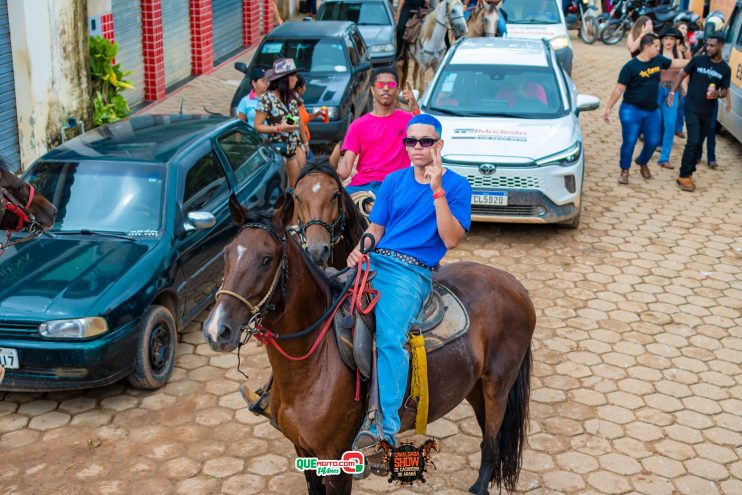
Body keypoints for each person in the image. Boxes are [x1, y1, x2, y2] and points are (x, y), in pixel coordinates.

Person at [347, 113, 472, 451]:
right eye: (411, 141)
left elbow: (451, 239)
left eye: (426, 141)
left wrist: (437, 191)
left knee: (389, 337)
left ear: (439, 144)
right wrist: (360, 249)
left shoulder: (457, 186)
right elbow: (377, 229)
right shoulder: (392, 180)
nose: (417, 147)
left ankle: (383, 429)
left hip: (412, 272)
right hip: (375, 261)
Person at [602, 33, 688, 184]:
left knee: (653, 141)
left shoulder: (658, 60)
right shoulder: (630, 67)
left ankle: (642, 161)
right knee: (629, 141)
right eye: (656, 46)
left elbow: (676, 62)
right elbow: (618, 89)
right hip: (631, 110)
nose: (658, 49)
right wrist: (608, 108)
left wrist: (696, 60)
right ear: (647, 47)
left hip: (652, 111)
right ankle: (624, 170)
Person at [339, 67, 421, 197]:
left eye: (391, 84)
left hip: (396, 185)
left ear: (397, 90)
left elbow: (423, 134)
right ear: (372, 90)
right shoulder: (357, 125)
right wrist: (334, 176)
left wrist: (414, 107)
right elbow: (347, 164)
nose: (386, 88)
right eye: (380, 84)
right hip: (361, 186)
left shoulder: (408, 120)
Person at [668, 33, 731, 192]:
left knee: (698, 144)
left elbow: (724, 92)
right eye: (707, 45)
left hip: (707, 112)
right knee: (693, 141)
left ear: (721, 46)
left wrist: (715, 94)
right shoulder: (697, 60)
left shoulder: (725, 69)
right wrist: (672, 93)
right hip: (691, 107)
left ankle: (689, 170)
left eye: (712, 45)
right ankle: (683, 175)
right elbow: (682, 74)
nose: (708, 48)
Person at [253, 58, 305, 187]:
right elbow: (257, 126)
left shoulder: (293, 96)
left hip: (295, 149)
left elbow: (297, 119)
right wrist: (279, 128)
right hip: (279, 152)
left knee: (298, 186)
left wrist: (305, 143)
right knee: (282, 189)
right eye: (294, 76)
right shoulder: (267, 98)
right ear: (285, 78)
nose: (297, 79)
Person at [656, 28, 684, 169]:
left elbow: (682, 73)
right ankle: (648, 151)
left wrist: (681, 89)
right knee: (654, 122)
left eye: (672, 39)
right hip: (656, 90)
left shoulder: (678, 53)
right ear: (661, 40)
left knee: (671, 123)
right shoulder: (656, 53)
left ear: (675, 41)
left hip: (672, 91)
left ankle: (664, 157)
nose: (669, 41)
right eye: (666, 38)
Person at [295, 74, 325, 161]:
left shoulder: (300, 103)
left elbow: (305, 118)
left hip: (305, 142)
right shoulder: (293, 104)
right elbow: (292, 121)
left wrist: (317, 114)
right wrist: (305, 144)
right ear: (299, 88)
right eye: (304, 86)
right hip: (299, 144)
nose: (305, 88)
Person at [674, 21, 691, 139]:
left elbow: (690, 59)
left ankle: (678, 128)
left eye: (686, 28)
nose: (684, 30)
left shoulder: (686, 44)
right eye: (682, 28)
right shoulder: (671, 41)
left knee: (682, 102)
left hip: (683, 76)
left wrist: (684, 50)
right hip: (672, 77)